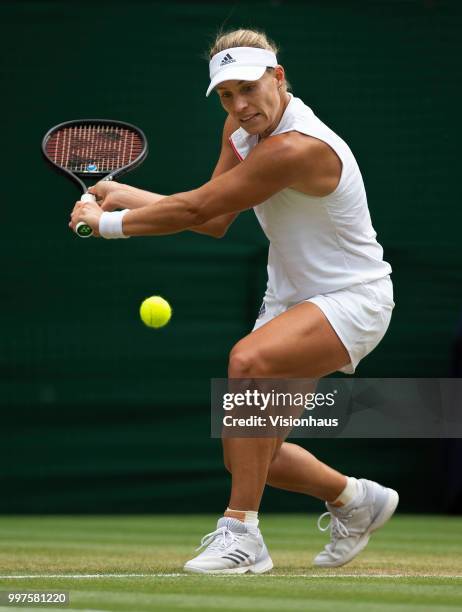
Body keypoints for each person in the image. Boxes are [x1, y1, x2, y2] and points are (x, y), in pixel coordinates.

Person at [70, 28, 399, 574]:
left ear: (278, 77)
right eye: (226, 94)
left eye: (249, 89)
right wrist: (126, 197)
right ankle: (356, 499)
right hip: (291, 300)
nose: (240, 105)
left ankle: (242, 533)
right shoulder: (241, 129)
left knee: (246, 360)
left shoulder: (297, 148)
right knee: (253, 453)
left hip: (353, 298)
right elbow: (216, 216)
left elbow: (196, 210)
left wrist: (105, 224)